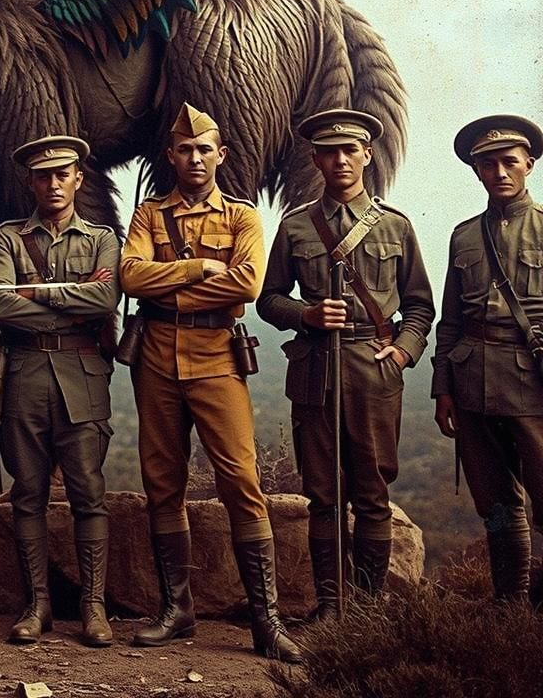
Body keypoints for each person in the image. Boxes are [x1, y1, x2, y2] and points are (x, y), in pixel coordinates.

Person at [120, 102, 300, 661]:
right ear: (170, 156)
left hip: (218, 356)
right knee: (162, 482)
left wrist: (166, 283)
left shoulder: (243, 216)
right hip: (155, 357)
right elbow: (130, 275)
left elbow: (246, 285)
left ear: (220, 155)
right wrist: (200, 270)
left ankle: (266, 620)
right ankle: (177, 610)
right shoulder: (150, 214)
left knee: (241, 481)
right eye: (184, 150)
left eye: (204, 150)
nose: (194, 158)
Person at [257, 109, 434, 616]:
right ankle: (331, 607)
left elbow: (420, 305)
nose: (340, 160)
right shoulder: (295, 227)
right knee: (324, 496)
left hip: (374, 370)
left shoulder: (395, 227)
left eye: (349, 150)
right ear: (315, 159)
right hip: (315, 368)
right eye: (329, 151)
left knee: (372, 493)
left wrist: (403, 351)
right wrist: (306, 313)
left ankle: (368, 609)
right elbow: (269, 299)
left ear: (366, 154)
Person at [0, 135, 120, 647]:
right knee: (28, 494)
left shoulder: (103, 238)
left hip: (83, 373)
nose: (53, 183)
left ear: (78, 178)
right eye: (43, 175)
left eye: (62, 174)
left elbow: (105, 298)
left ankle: (93, 606)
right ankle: (36, 604)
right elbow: (0, 305)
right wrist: (75, 297)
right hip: (23, 373)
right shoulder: (8, 239)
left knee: (88, 491)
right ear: (31, 182)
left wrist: (38, 292)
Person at [432, 114, 543, 602]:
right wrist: (443, 389)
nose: (499, 172)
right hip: (472, 382)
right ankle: (510, 603)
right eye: (488, 164)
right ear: (476, 171)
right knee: (496, 504)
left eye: (509, 162)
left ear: (529, 165)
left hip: (531, 384)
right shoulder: (463, 236)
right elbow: (450, 319)